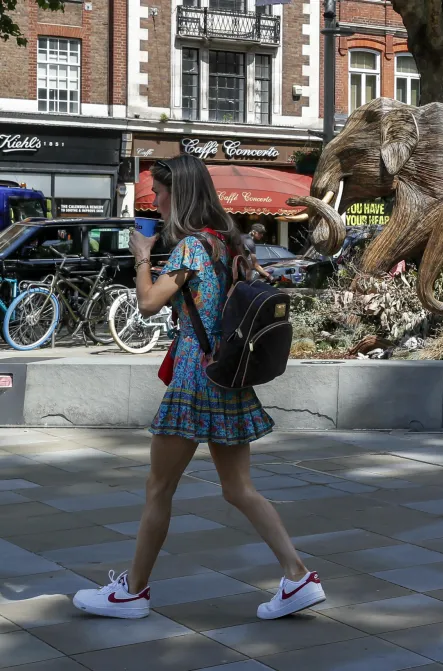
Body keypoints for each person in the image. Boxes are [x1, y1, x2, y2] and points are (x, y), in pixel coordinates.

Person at [72, 154, 324, 620]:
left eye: (161, 193)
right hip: (226, 375)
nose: (156, 202)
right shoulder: (228, 242)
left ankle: (132, 593)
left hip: (193, 377)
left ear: (181, 193)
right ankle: (298, 576)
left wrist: (142, 256)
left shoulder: (190, 247)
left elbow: (148, 304)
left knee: (159, 487)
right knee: (239, 488)